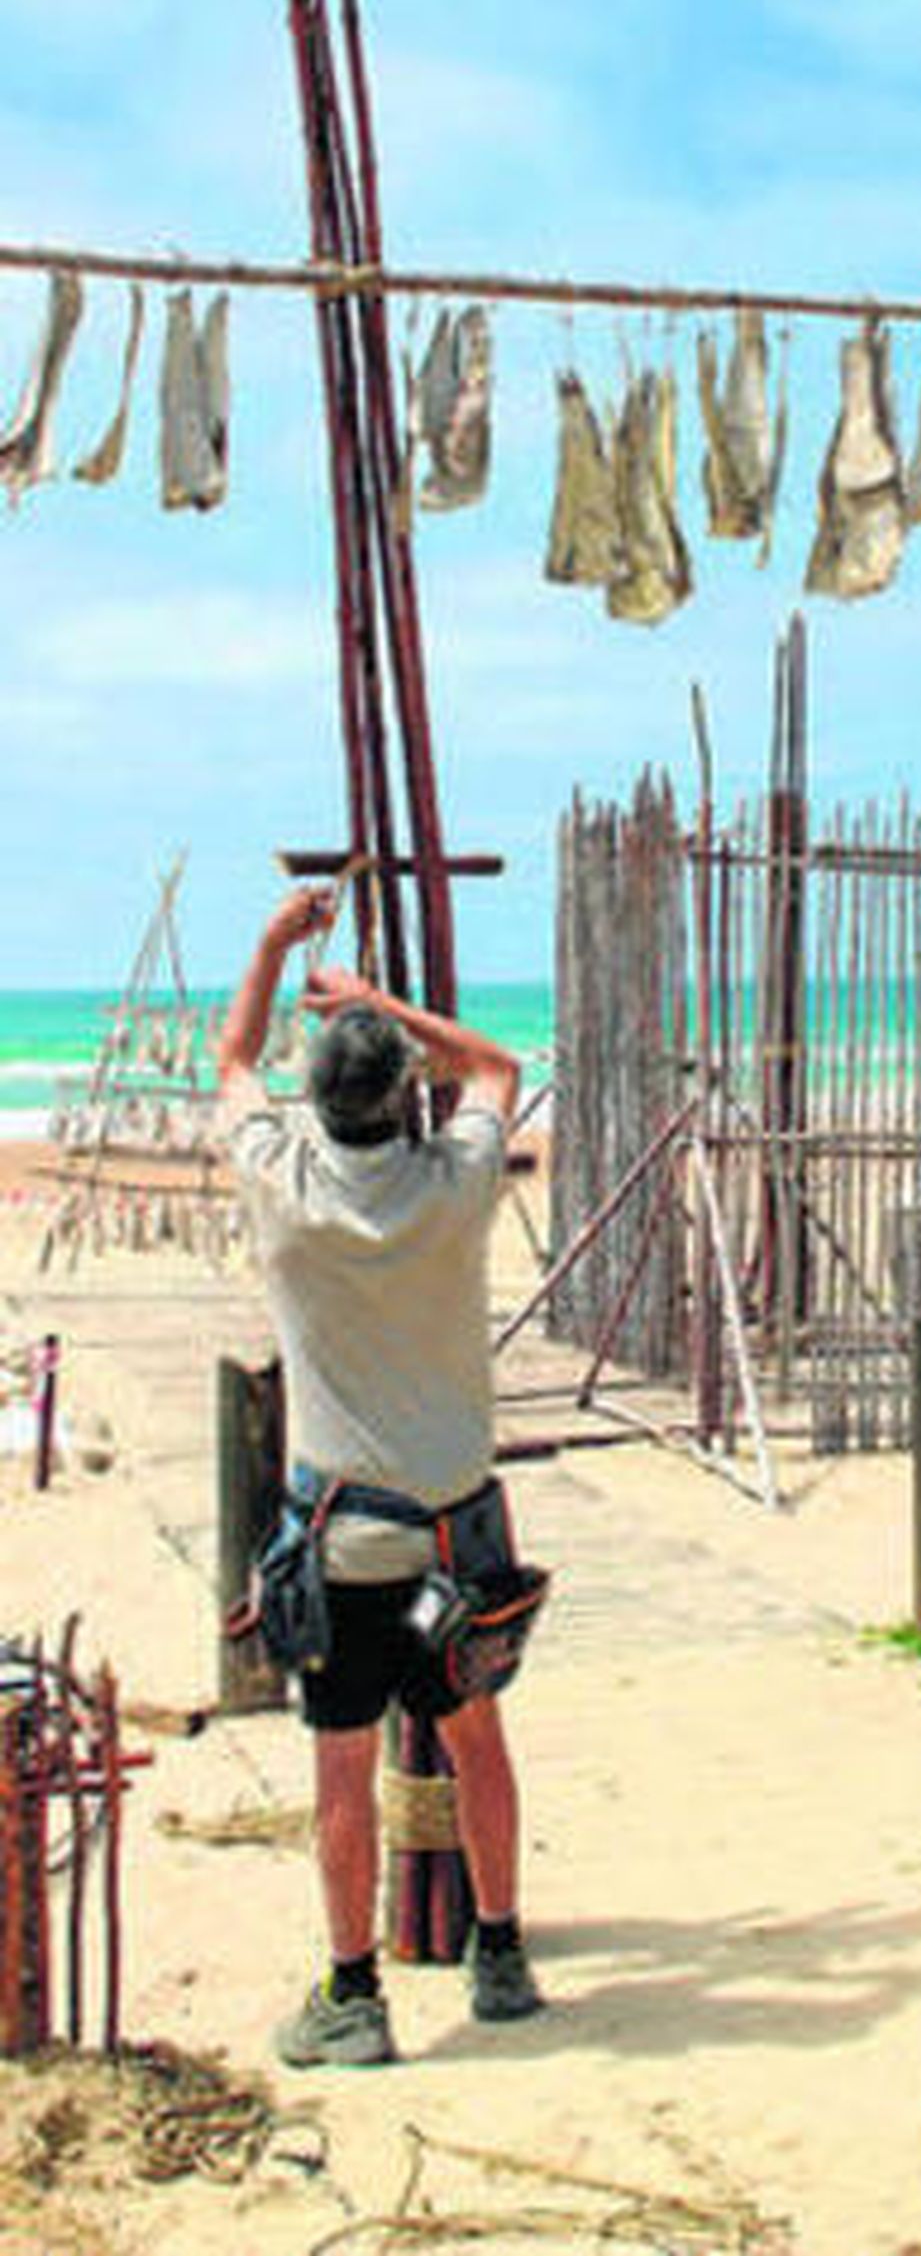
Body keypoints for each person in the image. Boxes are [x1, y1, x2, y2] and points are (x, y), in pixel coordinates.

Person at [218, 884, 541, 2067]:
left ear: (318, 1104)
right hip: (453, 1546)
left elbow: (234, 1052)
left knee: (342, 1765)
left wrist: (270, 941)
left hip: (346, 1547)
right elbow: (501, 1064)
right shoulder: (457, 1187)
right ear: (406, 1097)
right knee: (476, 1739)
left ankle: (353, 1996)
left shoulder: (285, 1194)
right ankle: (499, 1955)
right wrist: (380, 1003)